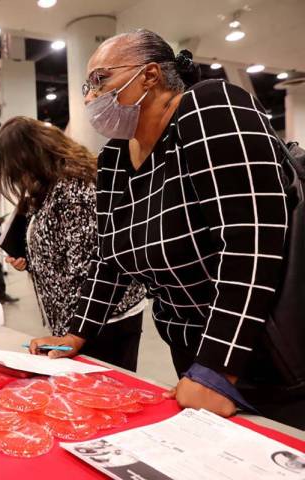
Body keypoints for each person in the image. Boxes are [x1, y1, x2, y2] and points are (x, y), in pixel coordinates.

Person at [38, 30, 301, 428]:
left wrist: (218, 367)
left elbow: (251, 240)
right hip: (191, 348)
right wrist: (76, 332)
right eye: (87, 85)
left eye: (100, 80)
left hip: (266, 344)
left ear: (150, 75)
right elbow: (108, 259)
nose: (91, 97)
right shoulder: (113, 159)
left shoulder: (210, 106)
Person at [0, 116, 146, 371]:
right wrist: (32, 261)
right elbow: (62, 247)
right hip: (80, 322)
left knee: (103, 401)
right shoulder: (51, 186)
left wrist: (74, 335)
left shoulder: (75, 188)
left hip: (102, 323)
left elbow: (89, 268)